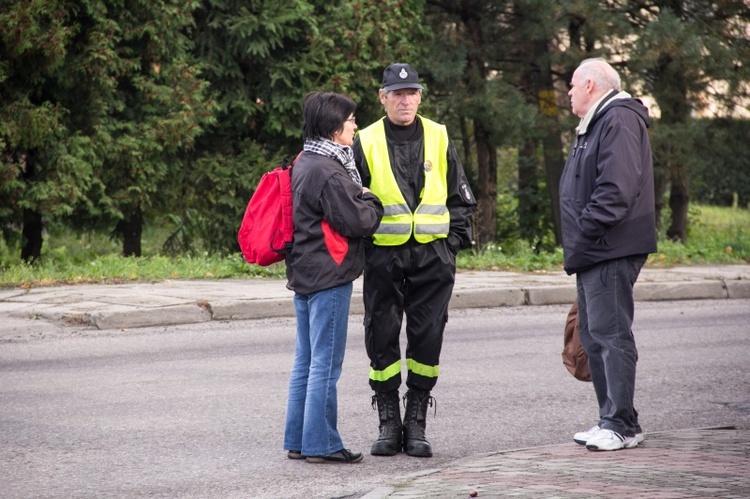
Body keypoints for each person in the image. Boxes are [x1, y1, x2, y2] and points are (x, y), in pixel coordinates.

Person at [352, 63, 476, 458]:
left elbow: (459, 194)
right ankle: (389, 422)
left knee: (428, 336)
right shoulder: (366, 138)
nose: (405, 100)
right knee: (382, 335)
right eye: (397, 93)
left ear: (420, 97)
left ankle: (416, 420)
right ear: (383, 97)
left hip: (433, 254)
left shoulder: (439, 135)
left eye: (411, 93)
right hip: (383, 256)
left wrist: (453, 242)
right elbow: (353, 199)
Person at [560, 58, 657, 451]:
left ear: (588, 85)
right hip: (594, 249)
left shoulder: (617, 119)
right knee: (593, 335)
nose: (566, 92)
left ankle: (621, 425)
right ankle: (611, 419)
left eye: (571, 85)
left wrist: (585, 232)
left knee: (610, 334)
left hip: (609, 247)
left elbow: (616, 190)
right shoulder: (596, 123)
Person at [283, 91, 384, 464]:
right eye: (351, 120)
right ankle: (322, 443)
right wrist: (372, 200)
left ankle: (298, 439)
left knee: (306, 360)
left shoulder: (305, 160)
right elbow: (358, 220)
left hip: (305, 272)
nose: (355, 126)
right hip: (329, 273)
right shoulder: (328, 169)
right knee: (326, 361)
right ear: (333, 126)